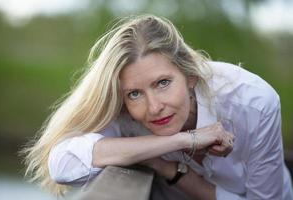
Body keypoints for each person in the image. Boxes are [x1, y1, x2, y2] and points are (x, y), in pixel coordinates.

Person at [22, 14, 293, 199]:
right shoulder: (125, 111)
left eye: (163, 83)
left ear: (190, 76)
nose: (153, 108)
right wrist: (184, 140)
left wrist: (167, 167)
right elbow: (63, 163)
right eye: (135, 93)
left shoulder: (252, 103)